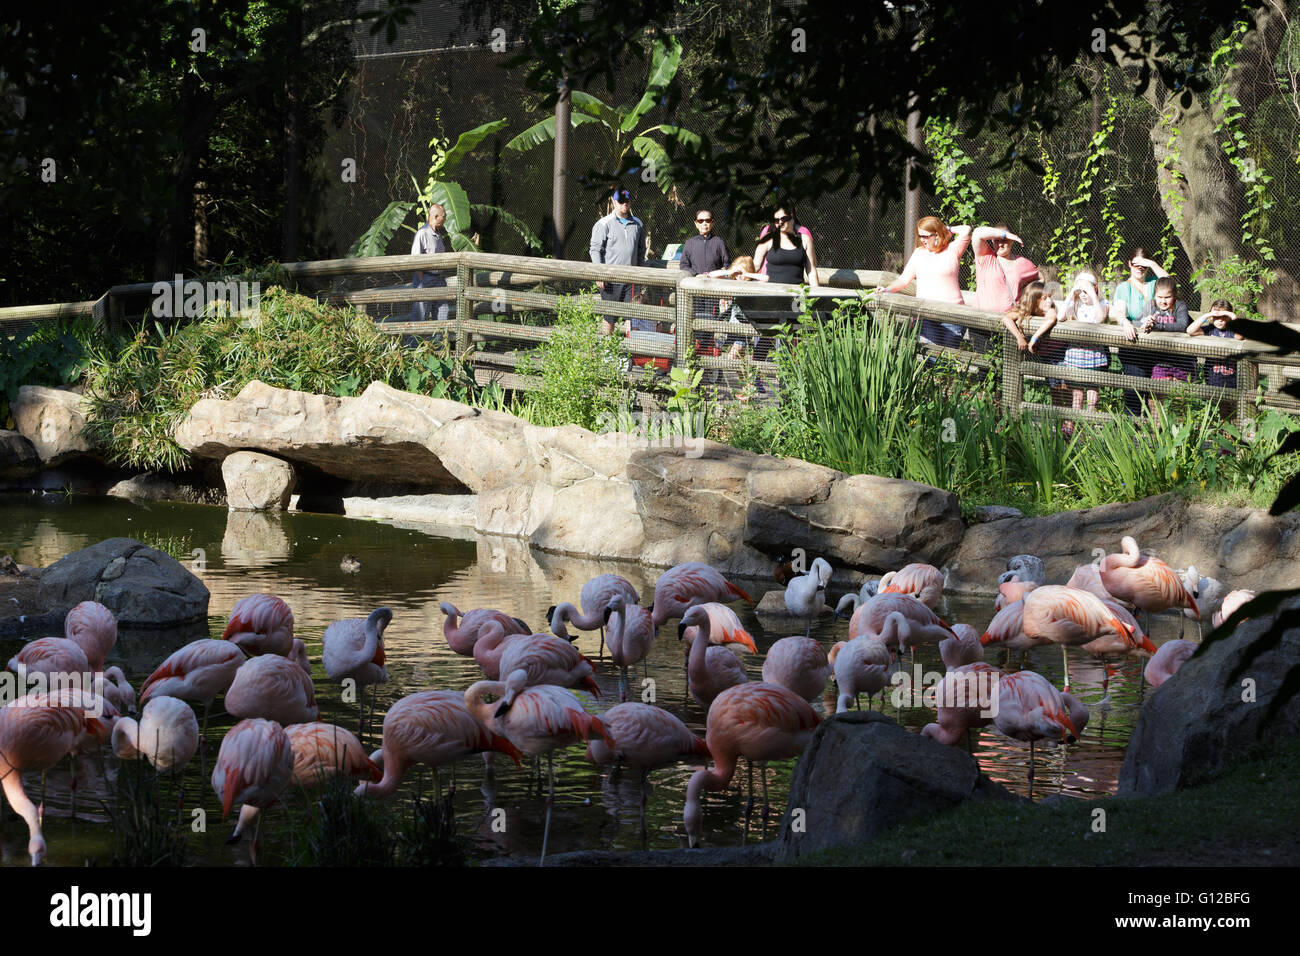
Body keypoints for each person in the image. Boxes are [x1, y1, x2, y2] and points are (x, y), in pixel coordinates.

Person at [878, 215, 972, 348]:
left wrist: (946, 228)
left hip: (953, 314)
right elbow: (904, 279)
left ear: (937, 234)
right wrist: (887, 290)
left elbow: (967, 230)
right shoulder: (919, 253)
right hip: (925, 314)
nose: (922, 240)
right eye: (920, 236)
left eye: (926, 236)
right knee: (930, 357)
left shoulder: (953, 249)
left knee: (949, 356)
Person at [1109, 247, 1170, 415]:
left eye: (1143, 265)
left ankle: (1156, 435)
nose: (1139, 268)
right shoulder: (1124, 287)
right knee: (1134, 393)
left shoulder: (1153, 284)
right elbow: (1119, 311)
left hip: (1155, 347)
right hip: (1134, 346)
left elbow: (1169, 282)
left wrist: (1150, 263)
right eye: (1136, 264)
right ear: (1129, 264)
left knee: (1155, 395)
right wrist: (1125, 323)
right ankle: (1130, 432)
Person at [1131, 276, 1194, 419]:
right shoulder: (1151, 306)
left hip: (1182, 362)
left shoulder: (1180, 306)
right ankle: (1156, 433)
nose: (1163, 301)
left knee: (1178, 400)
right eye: (1159, 297)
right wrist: (1145, 322)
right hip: (1160, 362)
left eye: (1167, 297)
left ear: (1174, 295)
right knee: (1154, 398)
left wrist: (1157, 326)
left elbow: (1182, 325)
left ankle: (1177, 434)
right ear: (1154, 296)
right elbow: (1136, 322)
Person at [590, 188, 647, 334]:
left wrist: (640, 273)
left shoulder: (638, 224)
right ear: (614, 202)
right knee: (610, 317)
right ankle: (607, 353)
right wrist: (600, 273)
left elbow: (641, 251)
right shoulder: (604, 224)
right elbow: (595, 250)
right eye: (621, 201)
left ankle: (631, 352)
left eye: (627, 201)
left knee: (633, 316)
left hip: (631, 280)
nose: (624, 204)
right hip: (610, 280)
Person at [1057, 271, 1110, 415]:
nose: (1083, 294)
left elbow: (1099, 319)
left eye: (1087, 290)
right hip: (1076, 355)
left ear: (1095, 288)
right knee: (1077, 396)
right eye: (1081, 291)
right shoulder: (1075, 305)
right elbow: (1060, 316)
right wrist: (1071, 293)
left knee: (1092, 397)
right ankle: (1076, 429)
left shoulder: (1102, 304)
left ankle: (1090, 431)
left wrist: (1093, 294)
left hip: (1094, 356)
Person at [1188, 299, 1245, 421]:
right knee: (1223, 409)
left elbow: (1240, 335)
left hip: (1232, 379)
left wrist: (1233, 316)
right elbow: (1190, 331)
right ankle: (1225, 431)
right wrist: (1207, 315)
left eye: (1224, 316)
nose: (1220, 319)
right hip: (1214, 378)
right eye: (1216, 316)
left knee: (1235, 409)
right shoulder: (1209, 329)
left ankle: (1234, 433)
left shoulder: (1232, 331)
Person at [753, 203, 821, 288]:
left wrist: (817, 294)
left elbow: (811, 270)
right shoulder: (767, 239)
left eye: (783, 218)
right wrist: (742, 272)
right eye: (776, 220)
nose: (780, 222)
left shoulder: (805, 240)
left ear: (791, 216)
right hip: (771, 293)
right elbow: (755, 265)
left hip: (796, 294)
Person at [411, 204, 452, 323]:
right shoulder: (422, 233)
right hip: (425, 279)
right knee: (420, 315)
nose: (445, 218)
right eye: (443, 216)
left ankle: (440, 341)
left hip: (439, 280)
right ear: (436, 216)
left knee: (443, 313)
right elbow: (415, 260)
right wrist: (422, 281)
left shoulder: (438, 234)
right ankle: (414, 341)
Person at [679, 209, 731, 278]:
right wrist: (696, 274)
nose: (704, 223)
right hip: (694, 283)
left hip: (716, 283)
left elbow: (727, 265)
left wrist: (718, 275)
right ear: (696, 223)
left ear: (712, 223)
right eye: (700, 221)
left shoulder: (719, 242)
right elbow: (684, 265)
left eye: (707, 220)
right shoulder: (690, 243)